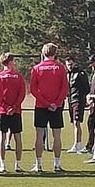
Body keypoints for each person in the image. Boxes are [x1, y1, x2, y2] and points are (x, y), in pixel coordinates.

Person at [29, 42, 68, 173]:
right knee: (57, 135)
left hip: (41, 105)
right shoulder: (60, 68)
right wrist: (56, 103)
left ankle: (38, 164)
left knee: (39, 135)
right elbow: (64, 88)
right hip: (56, 106)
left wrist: (45, 103)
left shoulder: (36, 68)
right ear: (55, 53)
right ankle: (57, 164)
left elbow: (33, 89)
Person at [0, 53, 26, 172]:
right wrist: (13, 107)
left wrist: (5, 106)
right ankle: (17, 165)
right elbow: (22, 94)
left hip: (2, 111)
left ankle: (2, 165)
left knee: (1, 137)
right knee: (17, 137)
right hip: (15, 111)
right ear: (10, 62)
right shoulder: (18, 77)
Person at [65, 56, 90, 153]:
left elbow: (86, 87)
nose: (70, 66)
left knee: (77, 122)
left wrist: (84, 98)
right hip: (70, 100)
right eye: (68, 65)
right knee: (74, 122)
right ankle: (76, 143)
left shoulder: (80, 73)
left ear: (75, 63)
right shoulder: (67, 74)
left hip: (78, 100)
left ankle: (78, 144)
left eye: (71, 64)